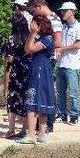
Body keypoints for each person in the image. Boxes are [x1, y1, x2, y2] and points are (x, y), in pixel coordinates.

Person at [18, 15, 56, 144]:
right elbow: (26, 49)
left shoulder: (47, 39)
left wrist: (33, 32)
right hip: (37, 69)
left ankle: (33, 134)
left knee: (34, 101)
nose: (31, 25)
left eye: (34, 23)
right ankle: (39, 134)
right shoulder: (40, 38)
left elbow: (30, 49)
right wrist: (32, 34)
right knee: (38, 101)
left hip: (41, 71)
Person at [28, 0, 62, 133]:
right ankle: (39, 127)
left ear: (38, 7)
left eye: (33, 11)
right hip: (40, 57)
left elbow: (58, 42)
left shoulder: (54, 19)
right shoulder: (48, 19)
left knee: (44, 93)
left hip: (46, 59)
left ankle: (47, 125)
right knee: (39, 93)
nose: (33, 15)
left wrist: (41, 42)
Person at [56, 2, 80, 125]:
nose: (62, 13)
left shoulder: (79, 27)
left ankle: (74, 115)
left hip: (72, 65)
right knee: (60, 92)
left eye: (64, 11)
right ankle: (62, 114)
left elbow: (78, 45)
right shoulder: (63, 27)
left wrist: (62, 49)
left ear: (72, 12)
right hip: (61, 64)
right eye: (62, 11)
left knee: (73, 92)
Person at [4, 9, 31, 139]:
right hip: (27, 71)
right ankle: (24, 130)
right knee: (25, 100)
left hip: (16, 72)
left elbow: (9, 58)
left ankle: (11, 129)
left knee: (12, 100)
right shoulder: (30, 38)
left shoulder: (12, 39)